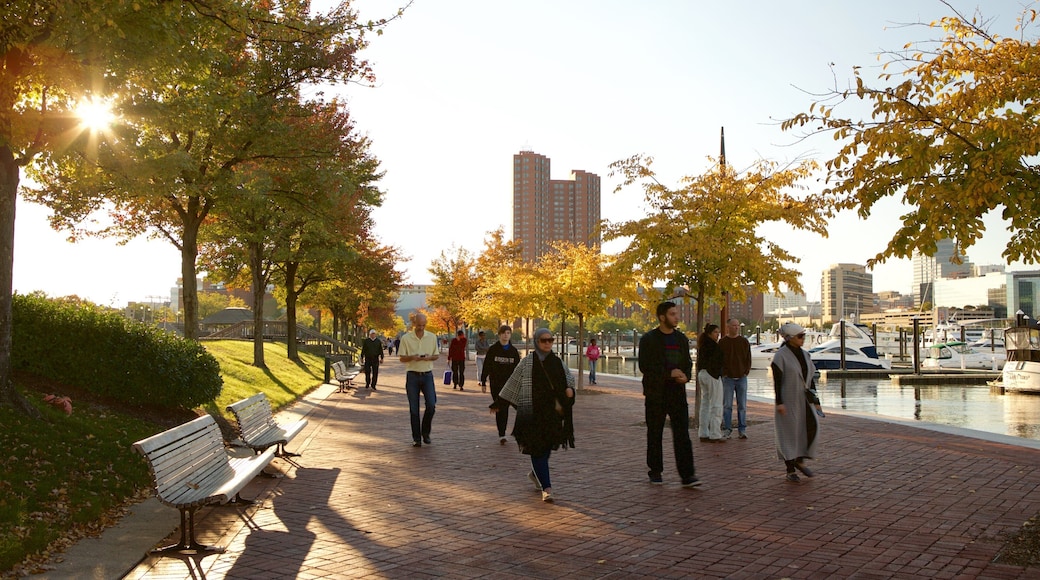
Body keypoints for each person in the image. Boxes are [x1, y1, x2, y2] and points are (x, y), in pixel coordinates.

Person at [491, 327, 575, 502]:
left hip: (552, 414)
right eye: (544, 340)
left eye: (550, 340)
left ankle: (536, 474)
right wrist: (500, 403)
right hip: (532, 414)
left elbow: (569, 381)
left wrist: (570, 391)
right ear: (537, 341)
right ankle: (547, 488)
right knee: (538, 450)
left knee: (547, 448)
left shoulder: (558, 362)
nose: (547, 343)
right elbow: (513, 382)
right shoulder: (527, 362)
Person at [637, 301, 701, 488]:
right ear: (662, 317)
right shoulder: (649, 339)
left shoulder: (681, 339)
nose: (676, 317)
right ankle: (655, 471)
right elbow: (645, 366)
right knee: (654, 433)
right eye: (672, 314)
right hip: (655, 394)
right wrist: (669, 373)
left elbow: (687, 363)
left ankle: (687, 475)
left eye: (676, 313)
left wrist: (686, 376)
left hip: (677, 394)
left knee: (682, 434)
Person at [771, 322, 821, 482]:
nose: (803, 339)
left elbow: (810, 379)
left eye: (803, 336)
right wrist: (779, 402)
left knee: (811, 427)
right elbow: (777, 381)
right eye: (800, 336)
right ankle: (790, 469)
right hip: (788, 398)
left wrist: (816, 400)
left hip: (804, 399)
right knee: (789, 433)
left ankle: (800, 459)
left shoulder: (806, 355)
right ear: (790, 338)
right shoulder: (780, 356)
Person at [399, 313, 440, 447]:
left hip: (427, 375)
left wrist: (429, 357)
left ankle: (425, 432)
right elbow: (402, 358)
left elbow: (436, 355)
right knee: (414, 409)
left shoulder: (432, 337)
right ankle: (416, 438)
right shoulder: (406, 338)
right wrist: (412, 357)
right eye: (419, 325)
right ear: (414, 324)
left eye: (423, 325)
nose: (421, 328)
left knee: (431, 405)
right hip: (412, 375)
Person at [481, 325, 522, 444]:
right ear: (499, 335)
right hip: (496, 384)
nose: (506, 335)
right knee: (501, 409)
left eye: (508, 333)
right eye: (503, 333)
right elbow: (486, 366)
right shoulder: (493, 350)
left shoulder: (513, 351)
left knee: (519, 407)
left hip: (510, 385)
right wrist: (483, 381)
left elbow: (518, 369)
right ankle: (502, 434)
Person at [719, 318, 752, 439]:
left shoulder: (744, 341)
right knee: (727, 405)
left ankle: (742, 429)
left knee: (742, 405)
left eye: (737, 325)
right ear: (728, 327)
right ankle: (727, 429)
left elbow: (748, 358)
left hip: (741, 377)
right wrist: (724, 373)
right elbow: (719, 359)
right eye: (733, 325)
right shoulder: (722, 342)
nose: (736, 327)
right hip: (728, 378)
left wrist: (746, 372)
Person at [696, 323, 725, 443]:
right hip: (712, 374)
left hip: (702, 374)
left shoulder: (702, 345)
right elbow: (718, 361)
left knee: (705, 403)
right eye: (715, 332)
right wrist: (718, 373)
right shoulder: (713, 346)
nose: (717, 334)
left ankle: (703, 432)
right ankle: (715, 433)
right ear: (709, 333)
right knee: (716, 404)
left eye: (718, 332)